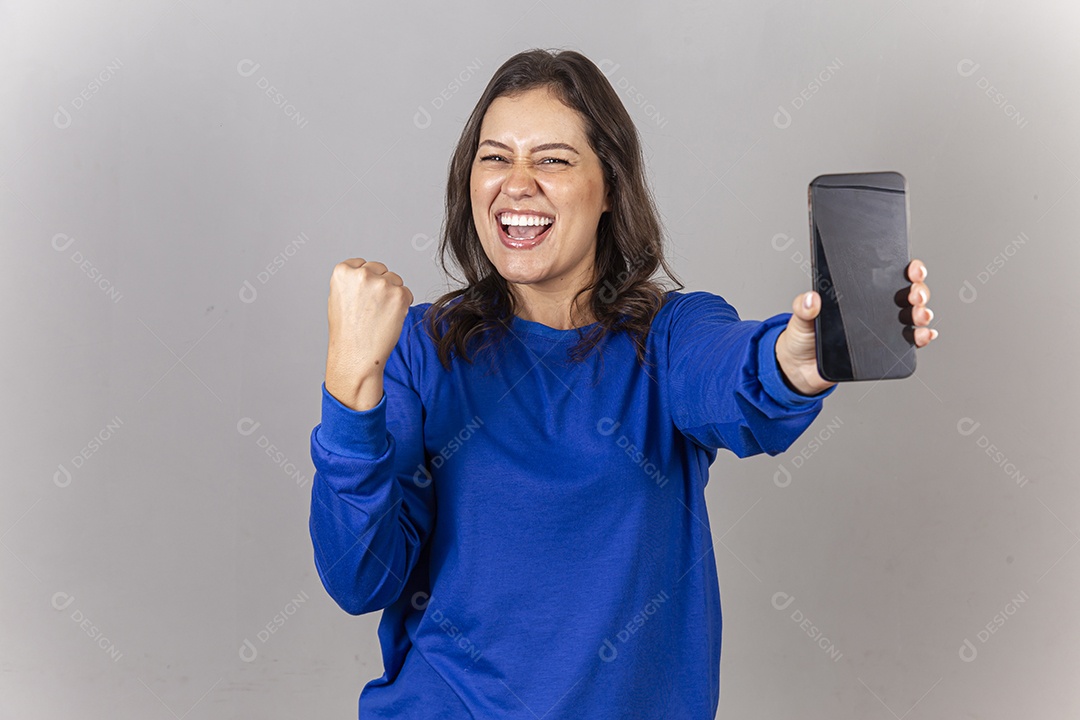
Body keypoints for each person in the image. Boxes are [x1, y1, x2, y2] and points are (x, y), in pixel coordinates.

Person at [308, 48, 937, 719]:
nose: (516, 183)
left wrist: (795, 359)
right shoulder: (419, 348)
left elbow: (736, 379)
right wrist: (351, 384)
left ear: (608, 187)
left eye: (552, 159)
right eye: (495, 157)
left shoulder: (670, 338)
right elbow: (359, 576)